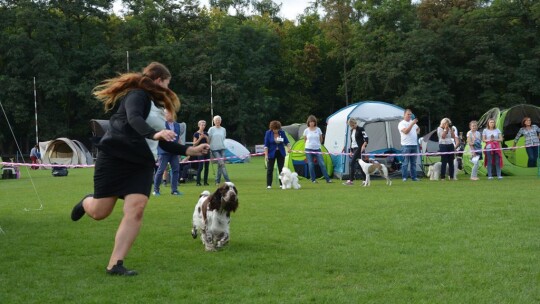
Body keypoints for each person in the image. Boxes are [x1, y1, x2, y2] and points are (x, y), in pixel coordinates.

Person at [70, 62, 210, 276]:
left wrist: (190, 150)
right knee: (100, 212)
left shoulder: (157, 106)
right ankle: (86, 202)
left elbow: (164, 141)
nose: (167, 88)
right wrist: (154, 134)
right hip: (115, 157)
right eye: (166, 83)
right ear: (158, 80)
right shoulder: (137, 95)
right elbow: (134, 119)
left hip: (141, 163)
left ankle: (115, 264)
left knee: (136, 208)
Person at [153, 109, 183, 196]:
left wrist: (181, 150)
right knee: (161, 170)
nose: (171, 114)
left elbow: (178, 139)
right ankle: (156, 190)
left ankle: (174, 190)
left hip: (174, 152)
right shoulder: (161, 124)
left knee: (176, 170)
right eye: (168, 113)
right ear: (164, 115)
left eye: (172, 113)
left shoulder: (177, 125)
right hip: (164, 152)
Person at [302, 115, 332, 183]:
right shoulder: (306, 130)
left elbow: (321, 139)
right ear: (308, 123)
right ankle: (313, 179)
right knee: (311, 164)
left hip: (317, 149)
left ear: (315, 122)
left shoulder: (318, 129)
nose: (312, 123)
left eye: (313, 122)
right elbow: (305, 140)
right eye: (310, 122)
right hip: (308, 149)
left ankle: (328, 179)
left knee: (322, 164)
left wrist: (318, 145)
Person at [263, 120, 291, 189]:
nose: (276, 130)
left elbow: (287, 142)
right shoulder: (268, 133)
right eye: (274, 129)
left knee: (281, 169)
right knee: (270, 169)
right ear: (272, 128)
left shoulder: (282, 133)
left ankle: (282, 184)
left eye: (277, 129)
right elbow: (266, 145)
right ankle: (269, 185)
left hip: (280, 153)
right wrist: (266, 155)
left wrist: (289, 147)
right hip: (271, 153)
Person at [343, 118, 368, 186]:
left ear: (355, 123)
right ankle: (365, 179)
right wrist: (351, 150)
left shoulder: (361, 129)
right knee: (360, 165)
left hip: (359, 148)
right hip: (354, 148)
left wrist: (363, 145)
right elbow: (352, 141)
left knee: (352, 163)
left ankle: (351, 180)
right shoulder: (351, 131)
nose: (352, 126)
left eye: (353, 125)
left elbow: (366, 138)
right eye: (351, 126)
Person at [398, 109, 420, 181]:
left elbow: (418, 128)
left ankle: (414, 177)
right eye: (408, 114)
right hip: (406, 145)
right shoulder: (402, 123)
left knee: (413, 163)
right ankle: (404, 177)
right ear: (404, 115)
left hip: (414, 145)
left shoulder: (412, 123)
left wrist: (416, 132)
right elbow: (406, 131)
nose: (410, 116)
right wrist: (412, 124)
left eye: (410, 114)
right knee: (405, 163)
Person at [208, 115, 230, 185]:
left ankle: (217, 181)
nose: (217, 121)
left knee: (220, 165)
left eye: (219, 120)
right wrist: (208, 147)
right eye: (216, 120)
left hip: (222, 148)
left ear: (220, 121)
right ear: (214, 121)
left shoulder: (223, 129)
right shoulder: (211, 129)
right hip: (214, 149)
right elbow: (209, 139)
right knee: (222, 164)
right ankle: (228, 181)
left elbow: (224, 139)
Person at [193, 120, 210, 186]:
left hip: (206, 151)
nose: (203, 126)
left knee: (207, 167)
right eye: (202, 125)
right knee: (200, 167)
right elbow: (194, 144)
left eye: (204, 125)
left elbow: (208, 143)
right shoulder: (196, 134)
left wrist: (206, 137)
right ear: (199, 125)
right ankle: (198, 182)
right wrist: (200, 138)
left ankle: (205, 182)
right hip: (199, 152)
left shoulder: (206, 133)